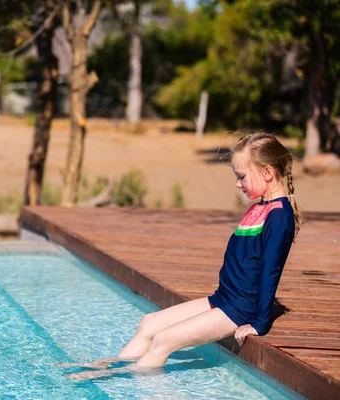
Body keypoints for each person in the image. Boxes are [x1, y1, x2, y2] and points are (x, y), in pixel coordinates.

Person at [61, 132, 303, 381]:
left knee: (164, 340)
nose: (237, 183)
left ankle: (121, 384)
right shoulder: (260, 208)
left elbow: (270, 272)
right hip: (223, 299)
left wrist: (259, 324)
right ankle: (105, 369)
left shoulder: (279, 216)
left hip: (239, 310)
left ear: (267, 173)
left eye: (241, 176)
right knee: (150, 323)